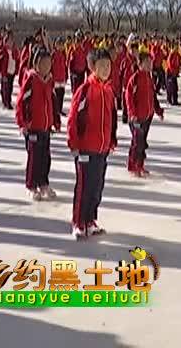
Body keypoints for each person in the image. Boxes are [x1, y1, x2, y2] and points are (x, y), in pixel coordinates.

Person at [67, 48, 117, 240]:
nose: (106, 69)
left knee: (97, 186)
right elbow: (73, 117)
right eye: (102, 66)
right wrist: (74, 143)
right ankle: (78, 223)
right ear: (92, 67)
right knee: (84, 187)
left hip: (102, 148)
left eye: (108, 65)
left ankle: (90, 220)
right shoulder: (85, 90)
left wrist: (111, 139)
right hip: (86, 147)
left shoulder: (109, 90)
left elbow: (111, 117)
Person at [16, 48, 61, 201]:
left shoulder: (49, 80)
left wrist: (55, 120)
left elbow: (53, 102)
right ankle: (31, 185)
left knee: (45, 157)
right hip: (33, 126)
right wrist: (23, 122)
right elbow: (22, 102)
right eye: (43, 63)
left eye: (49, 63)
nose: (47, 67)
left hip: (45, 127)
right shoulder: (31, 80)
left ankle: (43, 183)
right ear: (36, 64)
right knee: (34, 158)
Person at [126, 51, 164, 177]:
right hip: (136, 117)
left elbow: (153, 96)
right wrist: (132, 113)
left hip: (147, 116)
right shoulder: (135, 78)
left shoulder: (149, 77)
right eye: (147, 62)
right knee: (137, 142)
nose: (150, 64)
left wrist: (158, 110)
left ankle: (139, 164)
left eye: (150, 62)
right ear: (140, 64)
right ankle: (133, 165)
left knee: (141, 142)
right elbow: (129, 97)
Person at [0, 31, 20, 109]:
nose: (10, 43)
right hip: (5, 72)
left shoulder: (14, 51)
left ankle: (8, 101)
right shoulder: (3, 51)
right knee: (5, 88)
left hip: (11, 71)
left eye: (11, 41)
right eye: (8, 41)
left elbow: (17, 60)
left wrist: (16, 70)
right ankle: (6, 102)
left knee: (10, 88)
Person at [51, 37, 68, 117]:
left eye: (62, 45)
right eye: (59, 45)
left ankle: (60, 109)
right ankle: (56, 110)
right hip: (55, 78)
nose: (61, 47)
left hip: (62, 77)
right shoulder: (53, 54)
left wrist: (66, 75)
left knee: (61, 94)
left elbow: (65, 66)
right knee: (56, 96)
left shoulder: (63, 54)